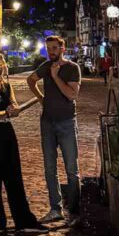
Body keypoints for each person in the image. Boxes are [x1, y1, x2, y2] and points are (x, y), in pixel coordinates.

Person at [0, 54, 47, 236]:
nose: (6, 66)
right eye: (3, 64)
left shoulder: (7, 87)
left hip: (7, 133)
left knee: (14, 177)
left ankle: (23, 220)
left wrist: (14, 111)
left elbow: (14, 108)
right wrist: (7, 113)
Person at [27, 35, 81, 224]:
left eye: (55, 48)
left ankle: (74, 211)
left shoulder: (72, 68)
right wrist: (41, 98)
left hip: (66, 122)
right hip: (47, 123)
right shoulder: (45, 66)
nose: (51, 51)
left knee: (71, 169)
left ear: (62, 49)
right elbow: (30, 80)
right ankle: (55, 209)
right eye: (48, 48)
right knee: (50, 169)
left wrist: (56, 77)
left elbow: (71, 95)